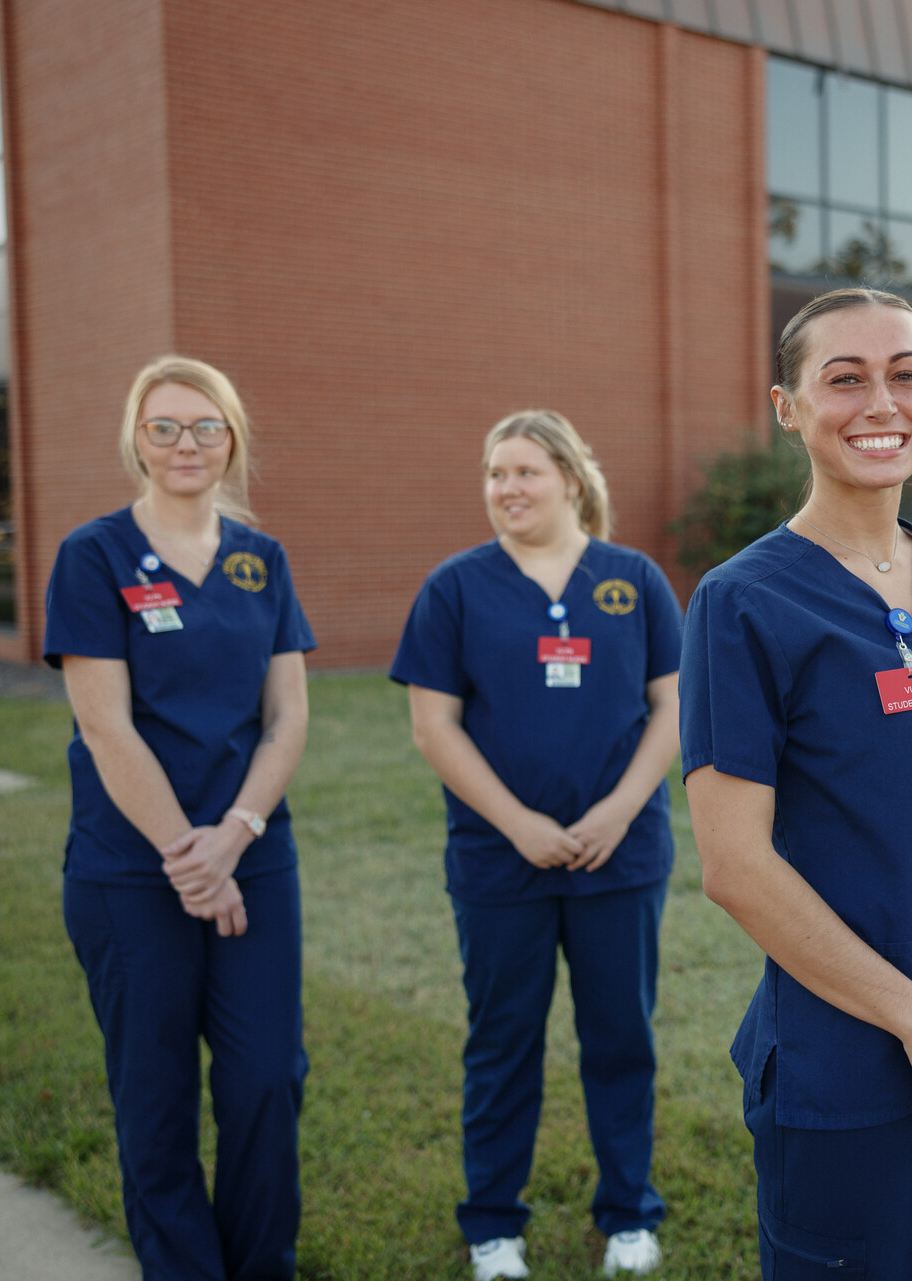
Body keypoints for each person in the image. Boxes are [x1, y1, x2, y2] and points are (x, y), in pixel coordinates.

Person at [680, 287, 912, 1280]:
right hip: (845, 1069)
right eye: (844, 379)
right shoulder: (742, 603)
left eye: (906, 375)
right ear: (787, 407)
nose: (880, 402)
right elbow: (733, 865)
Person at [391, 410, 680, 1281]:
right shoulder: (455, 587)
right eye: (494, 474)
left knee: (621, 1036)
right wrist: (517, 822)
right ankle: (492, 1226)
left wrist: (623, 809)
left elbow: (673, 705)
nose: (507, 489)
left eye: (525, 471)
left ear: (570, 477)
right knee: (502, 1040)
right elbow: (432, 724)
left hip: (619, 858)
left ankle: (629, 1213)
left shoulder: (633, 581)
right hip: (497, 861)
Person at [44, 355, 315, 1281]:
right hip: (130, 871)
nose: (185, 443)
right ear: (136, 439)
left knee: (266, 1080)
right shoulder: (93, 555)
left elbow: (288, 717)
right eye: (164, 426)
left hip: (254, 860)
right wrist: (184, 855)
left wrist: (233, 834)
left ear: (232, 438)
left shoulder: (260, 558)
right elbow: (105, 724)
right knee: (155, 1097)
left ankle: (257, 1266)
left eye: (205, 426)